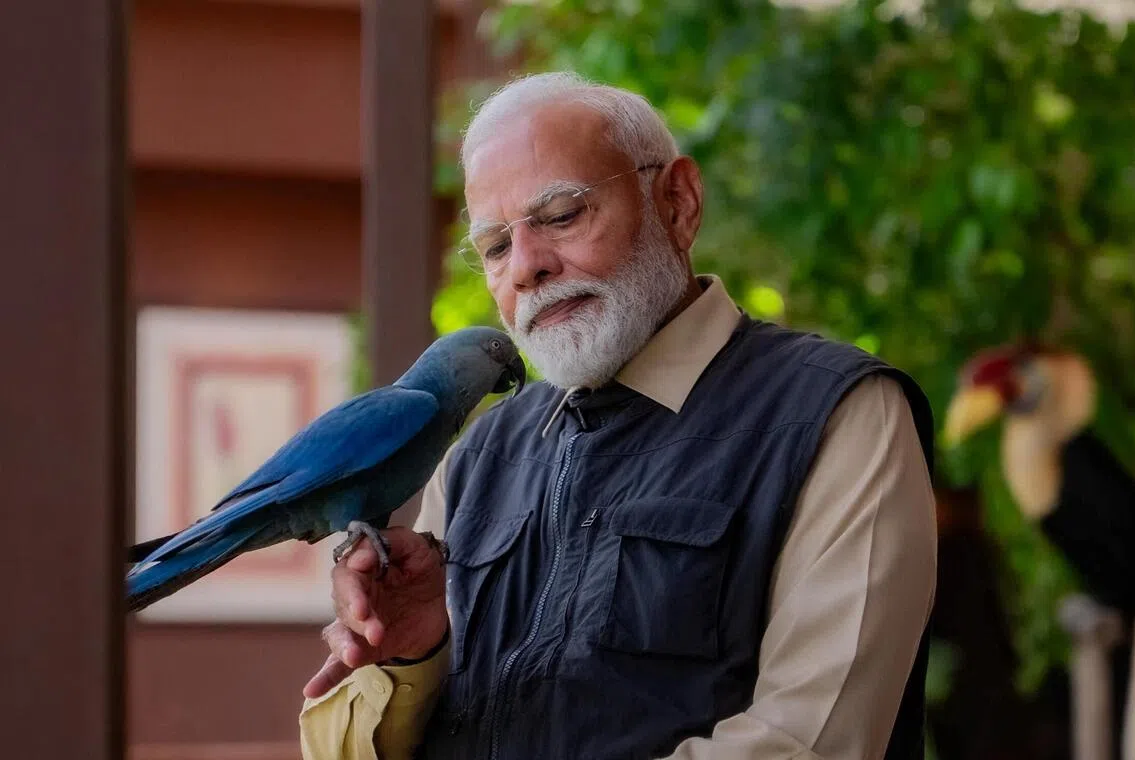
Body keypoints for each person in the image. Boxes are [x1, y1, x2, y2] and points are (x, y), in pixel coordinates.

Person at [298, 72, 938, 760]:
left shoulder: (834, 413)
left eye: (562, 215)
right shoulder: (479, 456)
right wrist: (412, 661)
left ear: (678, 203)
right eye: (495, 247)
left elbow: (810, 742)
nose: (526, 268)